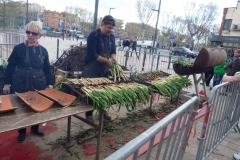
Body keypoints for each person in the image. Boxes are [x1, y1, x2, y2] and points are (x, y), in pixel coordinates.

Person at [2, 21, 53, 143]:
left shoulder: (43, 51)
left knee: (36, 106)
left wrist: (50, 84)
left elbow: (47, 69)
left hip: (38, 83)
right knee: (21, 108)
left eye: (34, 33)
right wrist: (7, 83)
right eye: (28, 32)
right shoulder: (18, 48)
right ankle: (22, 131)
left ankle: (35, 127)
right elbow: (10, 67)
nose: (30, 35)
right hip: (21, 81)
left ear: (40, 35)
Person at [82, 15, 117, 121]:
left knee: (104, 90)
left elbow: (113, 51)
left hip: (103, 68)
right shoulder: (93, 35)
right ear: (102, 24)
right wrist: (107, 61)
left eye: (112, 28)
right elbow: (93, 54)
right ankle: (89, 114)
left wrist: (113, 59)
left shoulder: (111, 37)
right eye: (108, 27)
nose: (110, 30)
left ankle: (103, 111)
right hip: (91, 67)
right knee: (91, 91)